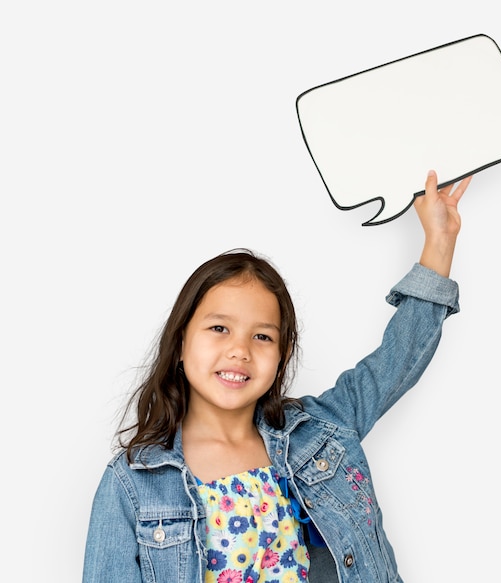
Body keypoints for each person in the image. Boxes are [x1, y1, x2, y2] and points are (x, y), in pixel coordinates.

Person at [82, 169, 473, 583]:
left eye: (262, 336)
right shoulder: (132, 486)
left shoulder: (321, 430)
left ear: (281, 356)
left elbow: (395, 361)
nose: (240, 349)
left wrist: (440, 241)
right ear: (180, 342)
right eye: (219, 328)